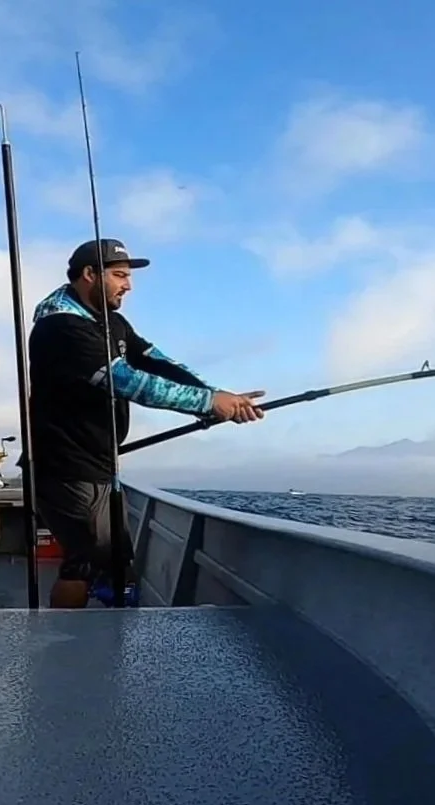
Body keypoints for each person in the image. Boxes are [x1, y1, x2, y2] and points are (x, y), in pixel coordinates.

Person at [26, 237, 265, 608]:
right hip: (65, 467)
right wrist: (208, 403)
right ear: (89, 274)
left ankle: (112, 635)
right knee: (84, 563)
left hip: (100, 463)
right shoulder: (61, 329)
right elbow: (129, 381)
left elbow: (156, 363)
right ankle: (59, 647)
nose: (129, 285)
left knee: (118, 563)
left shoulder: (114, 322)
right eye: (120, 275)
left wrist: (219, 396)